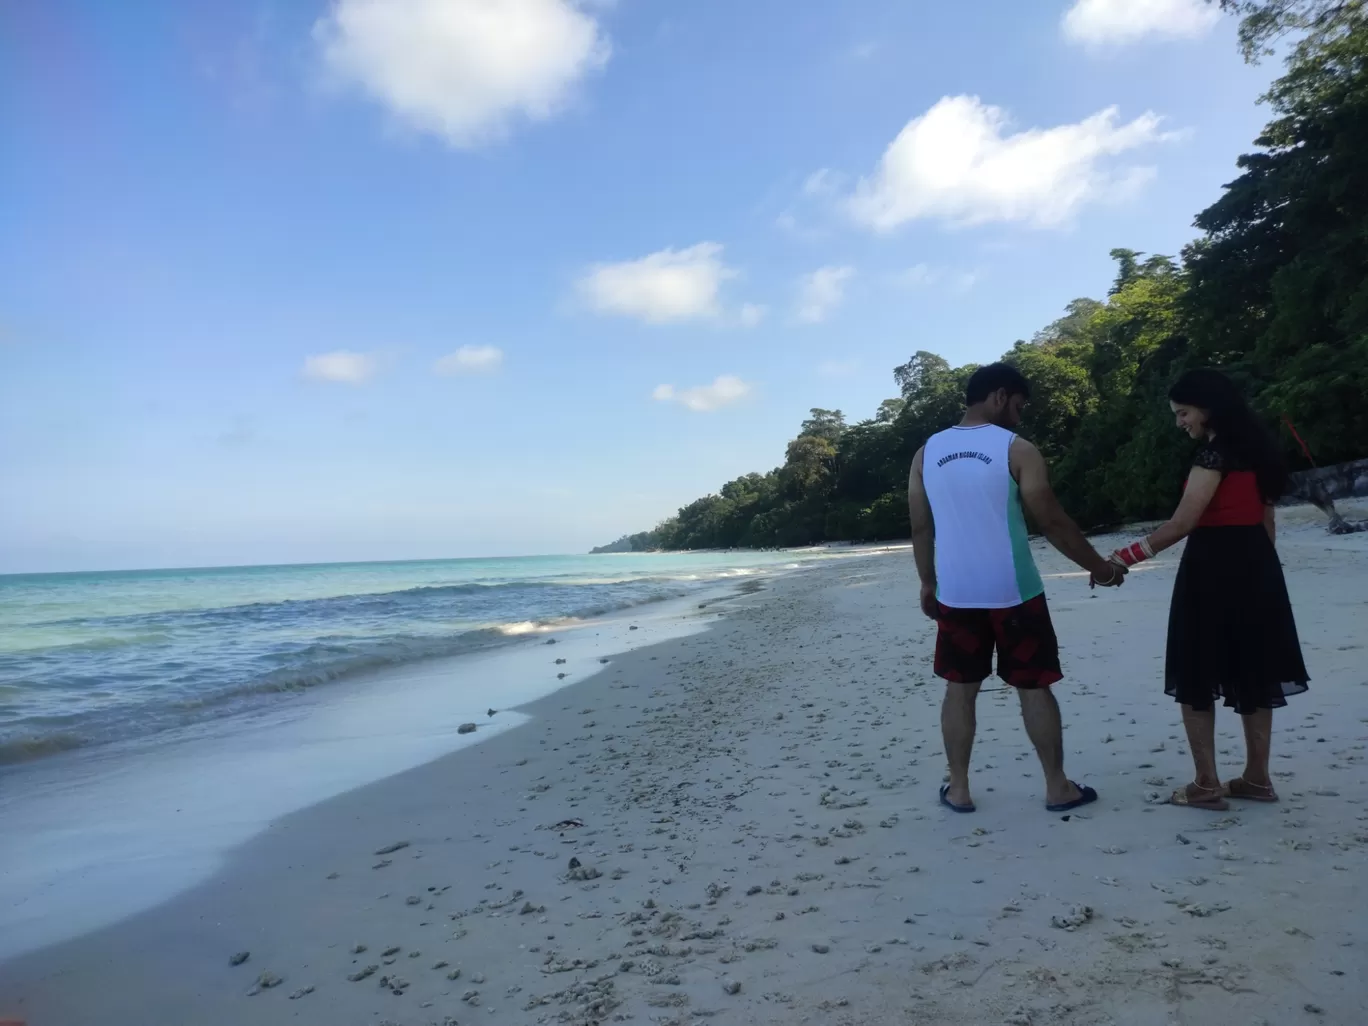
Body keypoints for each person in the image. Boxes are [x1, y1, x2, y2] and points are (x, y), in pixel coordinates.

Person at [907, 363, 1126, 814]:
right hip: (1016, 593)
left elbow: (921, 525)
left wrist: (927, 581)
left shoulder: (926, 453)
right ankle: (1057, 787)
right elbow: (1050, 520)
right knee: (1034, 687)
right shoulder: (1017, 449)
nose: (1020, 417)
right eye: (1019, 406)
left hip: (956, 594)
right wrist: (1100, 568)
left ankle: (961, 789)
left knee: (959, 688)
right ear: (1000, 396)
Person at [1108, 368, 1308, 811]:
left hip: (1212, 568)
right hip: (1258, 566)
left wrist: (1123, 558)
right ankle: (1257, 779)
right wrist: (1261, 571)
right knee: (1253, 669)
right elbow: (1267, 521)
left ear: (1208, 409)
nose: (1180, 422)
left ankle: (1206, 783)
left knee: (1197, 670)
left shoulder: (1213, 456)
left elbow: (1183, 522)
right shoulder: (1261, 453)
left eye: (1183, 413)